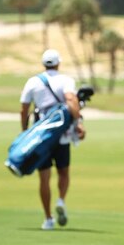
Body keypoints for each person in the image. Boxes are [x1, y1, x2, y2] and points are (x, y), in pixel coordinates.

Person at [19, 49, 85, 230]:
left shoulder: (33, 82)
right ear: (58, 63)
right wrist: (79, 123)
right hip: (62, 136)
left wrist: (25, 133)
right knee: (64, 172)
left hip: (42, 138)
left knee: (44, 178)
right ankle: (61, 200)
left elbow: (24, 110)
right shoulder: (66, 80)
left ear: (43, 63)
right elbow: (71, 101)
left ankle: (48, 218)